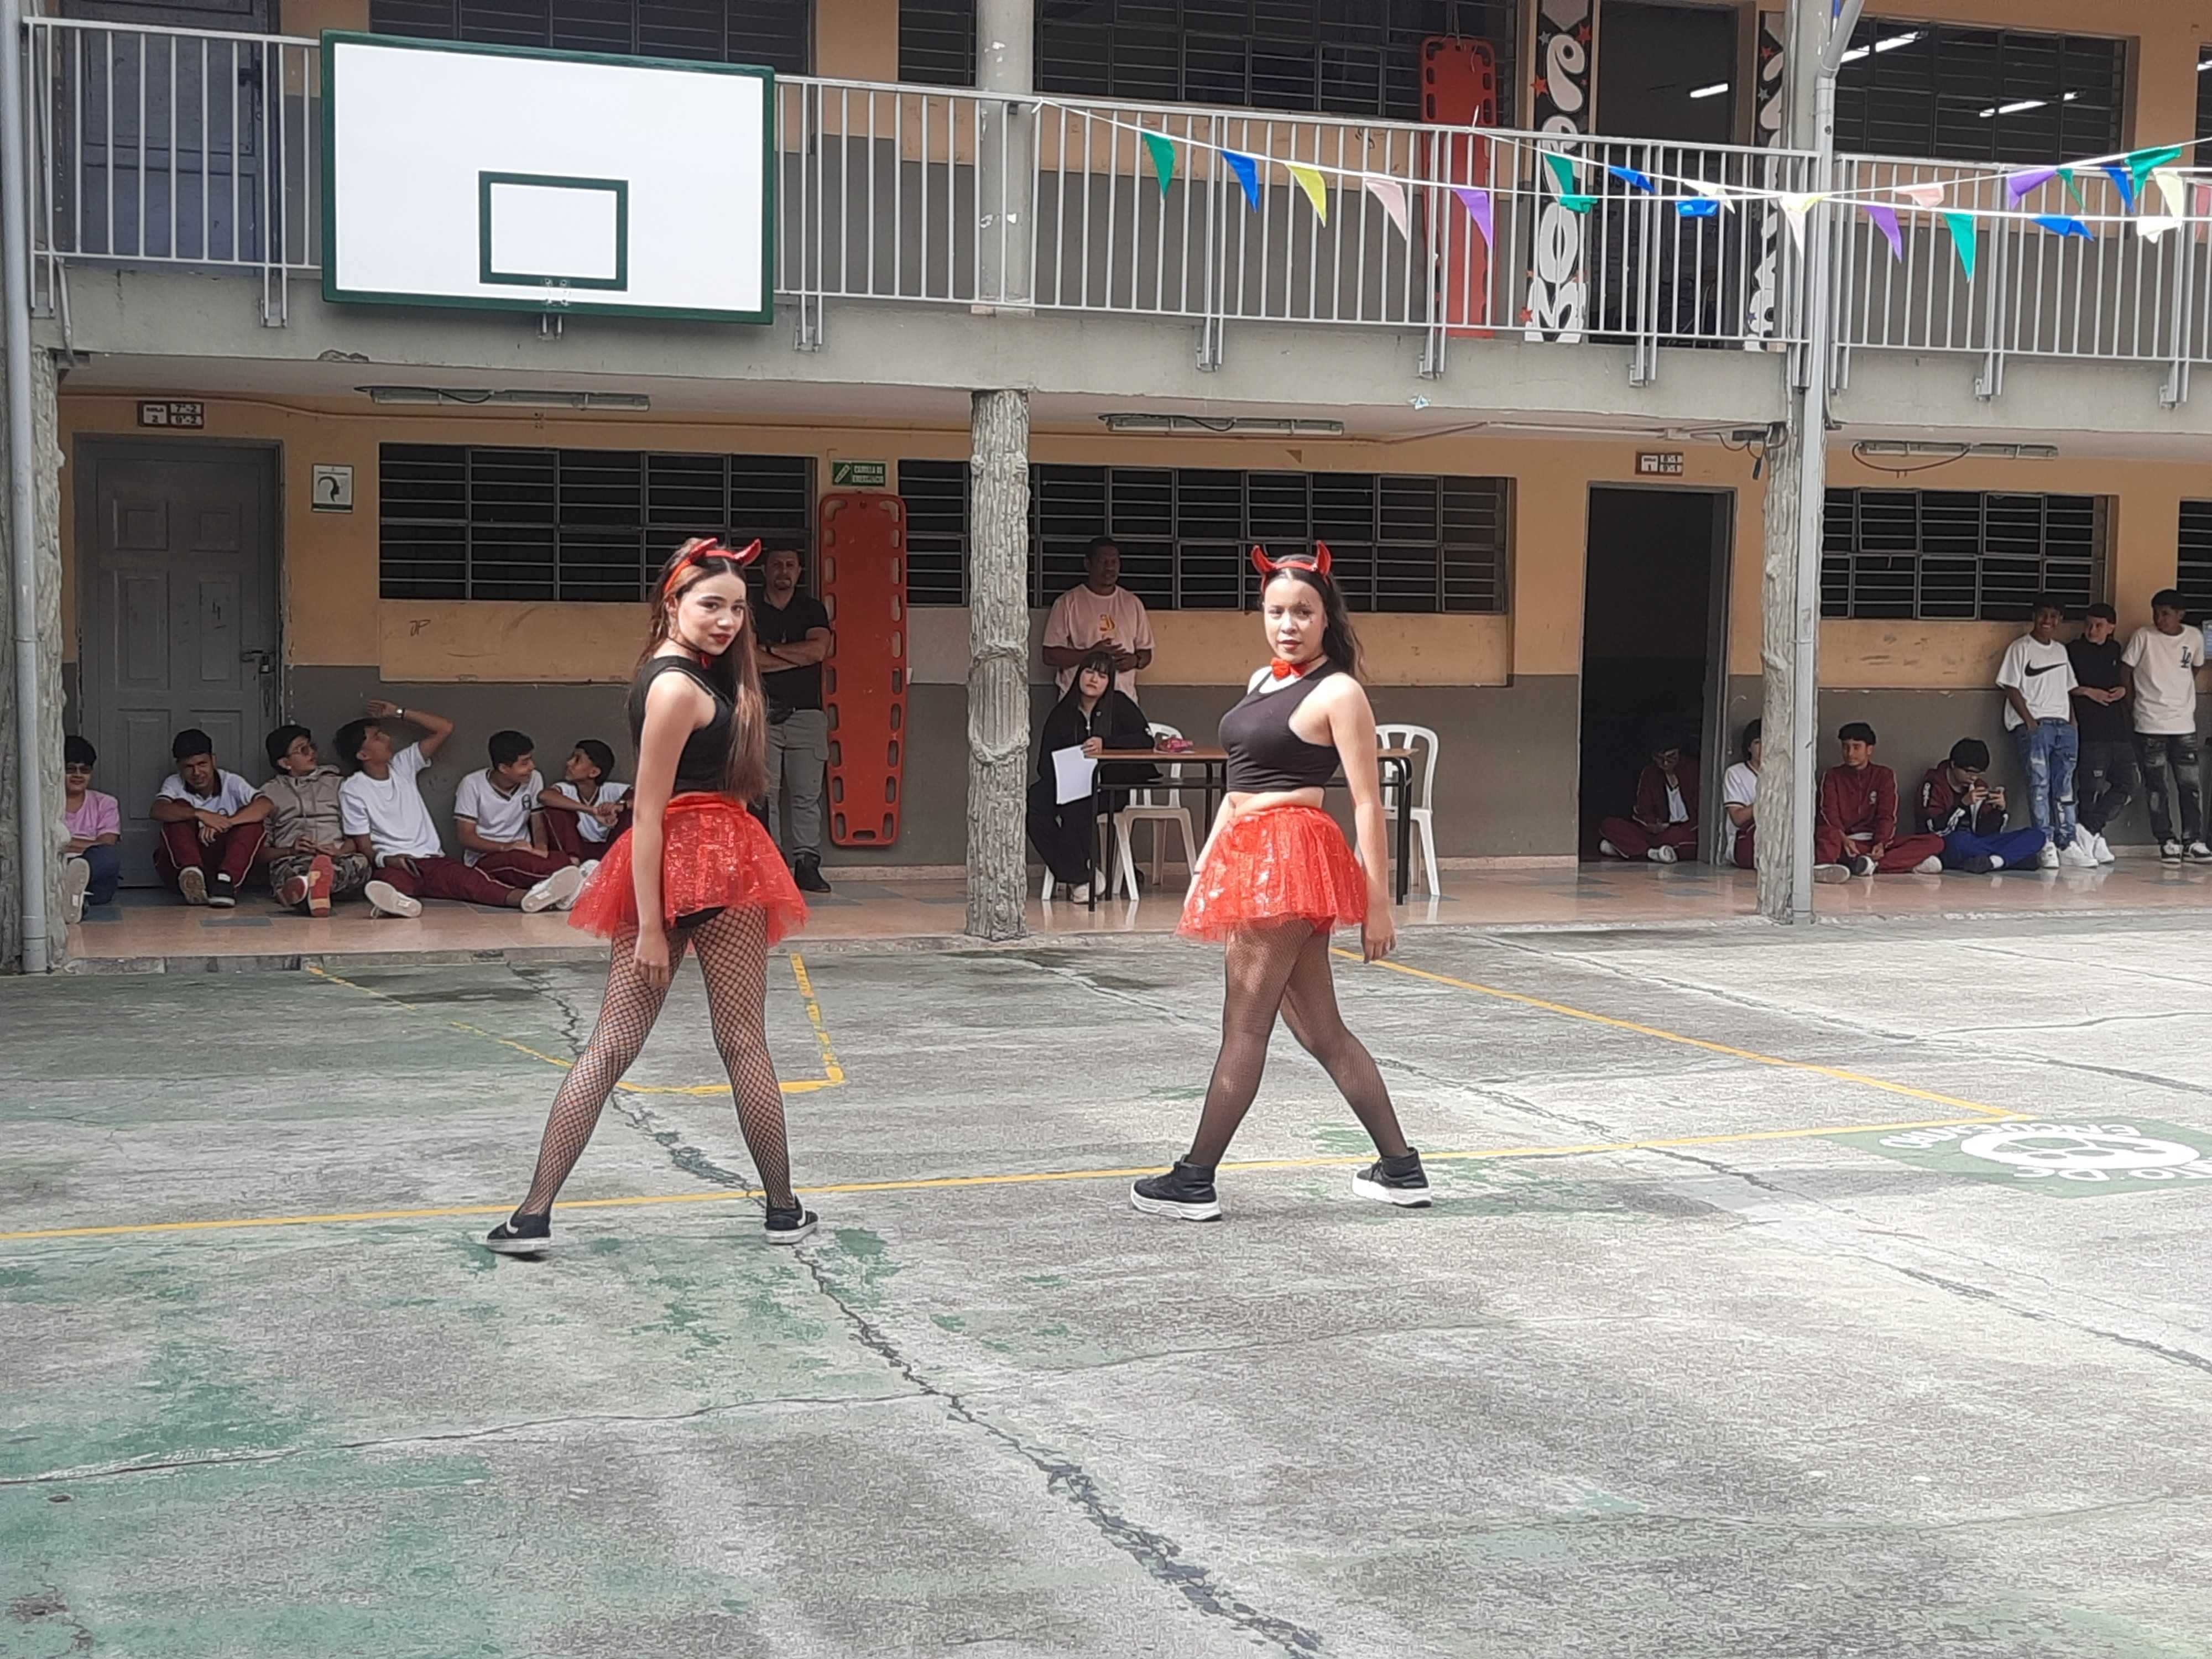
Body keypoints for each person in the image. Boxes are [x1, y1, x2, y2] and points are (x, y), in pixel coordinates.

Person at [486, 538, 815, 1255]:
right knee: (729, 1043)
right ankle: (782, 1209)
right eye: (712, 605)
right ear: (672, 603)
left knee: (627, 1046)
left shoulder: (688, 675)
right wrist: (653, 931)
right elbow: (647, 811)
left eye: (738, 609)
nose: (728, 621)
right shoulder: (674, 686)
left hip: (702, 860)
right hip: (704, 862)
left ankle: (533, 1216)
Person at [1131, 543, 1425, 1223]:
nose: (1287, 625)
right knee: (1321, 1032)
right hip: (1250, 854)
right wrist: (1206, 862)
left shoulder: (1339, 691)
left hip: (1290, 855)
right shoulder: (1262, 679)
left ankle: (1195, 1179)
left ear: (1327, 618)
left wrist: (1378, 904)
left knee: (1244, 1027)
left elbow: (1366, 801)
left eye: (1302, 612)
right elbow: (1238, 788)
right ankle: (1401, 1169)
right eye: (1275, 612)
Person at [335, 702, 582, 919]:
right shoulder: (353, 789)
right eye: (377, 737)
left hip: (433, 860)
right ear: (362, 754)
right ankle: (398, 904)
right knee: (389, 881)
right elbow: (364, 846)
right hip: (396, 862)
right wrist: (387, 859)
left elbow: (444, 728)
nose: (387, 738)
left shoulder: (402, 766)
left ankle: (531, 898)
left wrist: (398, 712)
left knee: (472, 883)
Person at [1027, 648, 1157, 901]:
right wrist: (1065, 775)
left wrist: (1106, 744)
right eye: (1089, 672)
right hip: (1067, 784)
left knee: (1077, 806)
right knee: (1032, 802)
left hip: (1109, 787)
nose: (1094, 679)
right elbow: (1044, 762)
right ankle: (1080, 875)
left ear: (1109, 682)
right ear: (1079, 675)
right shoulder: (1063, 712)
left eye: (1102, 675)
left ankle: (1078, 880)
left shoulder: (1120, 706)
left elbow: (1145, 740)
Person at [754, 546, 834, 895]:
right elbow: (749, 660)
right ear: (764, 571)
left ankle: (807, 864)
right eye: (776, 565)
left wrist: (770, 650)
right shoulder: (750, 608)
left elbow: (818, 651)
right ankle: (770, 867)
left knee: (807, 795)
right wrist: (797, 657)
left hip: (807, 713)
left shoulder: (811, 609)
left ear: (800, 571)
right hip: (762, 713)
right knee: (764, 795)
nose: (783, 571)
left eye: (790, 565)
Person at [1995, 594, 2086, 869]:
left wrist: (2072, 722)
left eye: (2054, 616)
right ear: (2034, 616)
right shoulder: (2020, 648)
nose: (2048, 620)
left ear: (2060, 620)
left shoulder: (2060, 651)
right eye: (2043, 614)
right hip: (2036, 725)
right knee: (2039, 785)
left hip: (2064, 726)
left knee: (2065, 787)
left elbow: (2068, 688)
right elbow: (2011, 686)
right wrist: (2030, 722)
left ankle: (2067, 842)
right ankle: (2044, 843)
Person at [2121, 589, 2211, 863]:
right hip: (2150, 722)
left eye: (2166, 614)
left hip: (2183, 723)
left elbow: (2195, 667)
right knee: (2157, 786)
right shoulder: (2143, 636)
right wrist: (2133, 705)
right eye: (2156, 613)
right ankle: (2166, 840)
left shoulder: (2194, 637)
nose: (2159, 619)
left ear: (2180, 615)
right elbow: (2126, 671)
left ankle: (2193, 840)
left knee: (2190, 785)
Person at [149, 728, 269, 907]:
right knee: (178, 808)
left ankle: (226, 881)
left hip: (222, 863)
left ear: (213, 760)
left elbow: (265, 805)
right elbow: (157, 810)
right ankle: (192, 875)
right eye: (189, 767)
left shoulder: (231, 782)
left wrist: (224, 823)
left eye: (202, 764)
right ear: (179, 767)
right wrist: (201, 814)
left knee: (253, 824)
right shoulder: (174, 783)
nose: (197, 773)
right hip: (181, 867)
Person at [258, 725, 371, 916]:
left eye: (312, 747)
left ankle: (307, 890)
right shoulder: (269, 793)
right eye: (303, 750)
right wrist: (291, 850)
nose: (311, 753)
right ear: (285, 763)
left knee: (360, 863)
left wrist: (341, 850)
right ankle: (314, 889)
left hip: (337, 858)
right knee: (292, 872)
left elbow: (357, 834)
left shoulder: (339, 785)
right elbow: (260, 852)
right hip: (294, 859)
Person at [1813, 721, 1945, 882]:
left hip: (1874, 844)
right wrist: (1844, 840)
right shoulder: (1832, 776)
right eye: (1845, 747)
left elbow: (1887, 815)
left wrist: (1881, 843)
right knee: (1826, 833)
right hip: (1844, 843)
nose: (1850, 753)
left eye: (1856, 747)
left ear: (1869, 749)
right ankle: (1826, 867)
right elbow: (1829, 814)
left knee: (1935, 842)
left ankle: (1868, 865)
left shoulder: (1884, 775)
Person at [453, 729, 581, 892]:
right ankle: (573, 879)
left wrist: (541, 848)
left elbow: (538, 823)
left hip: (527, 851)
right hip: (488, 856)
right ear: (504, 768)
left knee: (550, 858)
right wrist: (506, 847)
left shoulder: (534, 778)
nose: (532, 767)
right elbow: (466, 837)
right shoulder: (472, 784)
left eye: (531, 759)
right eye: (524, 763)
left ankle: (566, 875)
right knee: (520, 862)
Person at [1042, 535, 1154, 700]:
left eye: (1114, 562)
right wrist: (1091, 654)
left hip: (1123, 699)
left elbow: (1146, 652)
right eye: (1103, 562)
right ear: (1088, 564)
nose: (1109, 568)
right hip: (1078, 701)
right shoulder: (1067, 602)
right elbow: (1050, 655)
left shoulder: (1132, 603)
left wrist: (1135, 661)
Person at [1917, 739, 2048, 874]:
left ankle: (1993, 862)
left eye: (1978, 773)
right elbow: (1932, 828)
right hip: (1949, 843)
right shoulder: (1934, 784)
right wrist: (1963, 805)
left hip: (1977, 842)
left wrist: (1998, 810)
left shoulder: (1979, 786)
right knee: (1958, 841)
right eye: (1969, 772)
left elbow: (1987, 833)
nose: (1973, 778)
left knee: (2037, 836)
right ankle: (2008, 858)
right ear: (1953, 764)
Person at [2067, 602, 2130, 865]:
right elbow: (2065, 684)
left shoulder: (2115, 649)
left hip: (2118, 727)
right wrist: (2088, 692)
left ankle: (2089, 829)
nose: (2093, 630)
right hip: (2089, 728)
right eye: (2089, 625)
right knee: (2090, 789)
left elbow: (2121, 680)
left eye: (2099, 626)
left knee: (2129, 782)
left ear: (2111, 628)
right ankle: (2088, 840)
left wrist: (2122, 690)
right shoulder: (2073, 650)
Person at [1597, 740, 1700, 865]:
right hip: (1657, 832)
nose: (1665, 763)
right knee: (1609, 825)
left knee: (1690, 842)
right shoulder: (1650, 774)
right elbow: (1643, 811)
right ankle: (1652, 853)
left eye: (1671, 757)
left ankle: (1626, 849)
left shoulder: (1693, 770)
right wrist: (1654, 826)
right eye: (1660, 759)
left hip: (1685, 831)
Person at [60, 735, 121, 923]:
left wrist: (63, 842)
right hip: (55, 867)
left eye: (85, 770)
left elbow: (107, 843)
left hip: (92, 873)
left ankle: (70, 896)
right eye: (71, 769)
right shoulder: (46, 803)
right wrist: (88, 843)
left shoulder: (105, 803)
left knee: (108, 856)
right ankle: (74, 900)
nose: (78, 775)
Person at [540, 739, 630, 864]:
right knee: (555, 809)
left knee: (632, 811)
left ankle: (619, 862)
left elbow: (645, 798)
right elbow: (544, 796)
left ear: (594, 772)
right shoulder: (566, 789)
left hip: (611, 849)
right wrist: (592, 810)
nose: (569, 763)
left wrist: (622, 806)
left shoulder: (612, 790)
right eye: (572, 758)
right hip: (580, 849)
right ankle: (573, 862)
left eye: (577, 760)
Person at [1722, 720, 1760, 871]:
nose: (1764, 747)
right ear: (1749, 747)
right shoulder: (1735, 773)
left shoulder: (1783, 774)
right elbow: (1738, 818)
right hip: (1743, 840)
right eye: (1758, 742)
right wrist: (1766, 803)